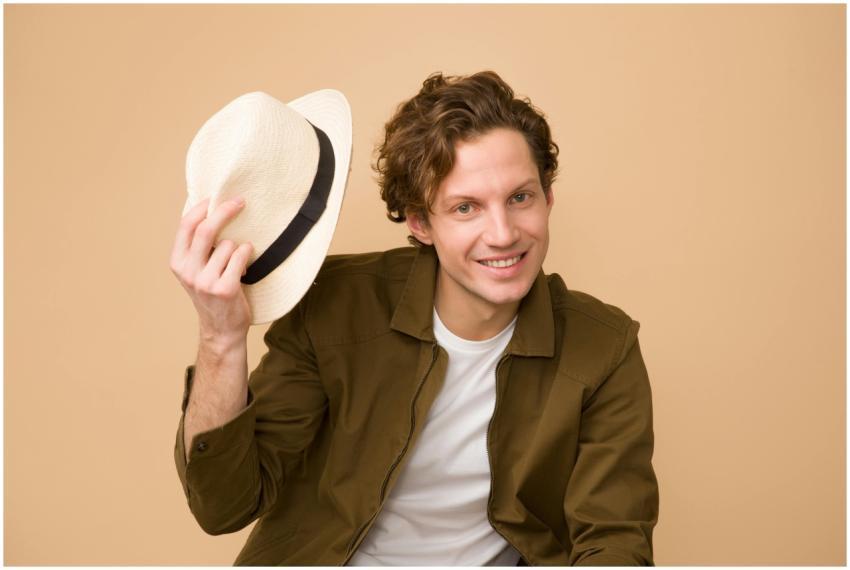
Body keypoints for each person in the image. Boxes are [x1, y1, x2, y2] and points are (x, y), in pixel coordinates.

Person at [170, 70, 659, 566]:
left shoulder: (604, 347)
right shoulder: (333, 306)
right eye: (466, 207)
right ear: (422, 223)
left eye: (520, 197)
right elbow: (224, 506)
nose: (503, 233)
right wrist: (220, 338)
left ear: (547, 199)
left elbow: (614, 541)